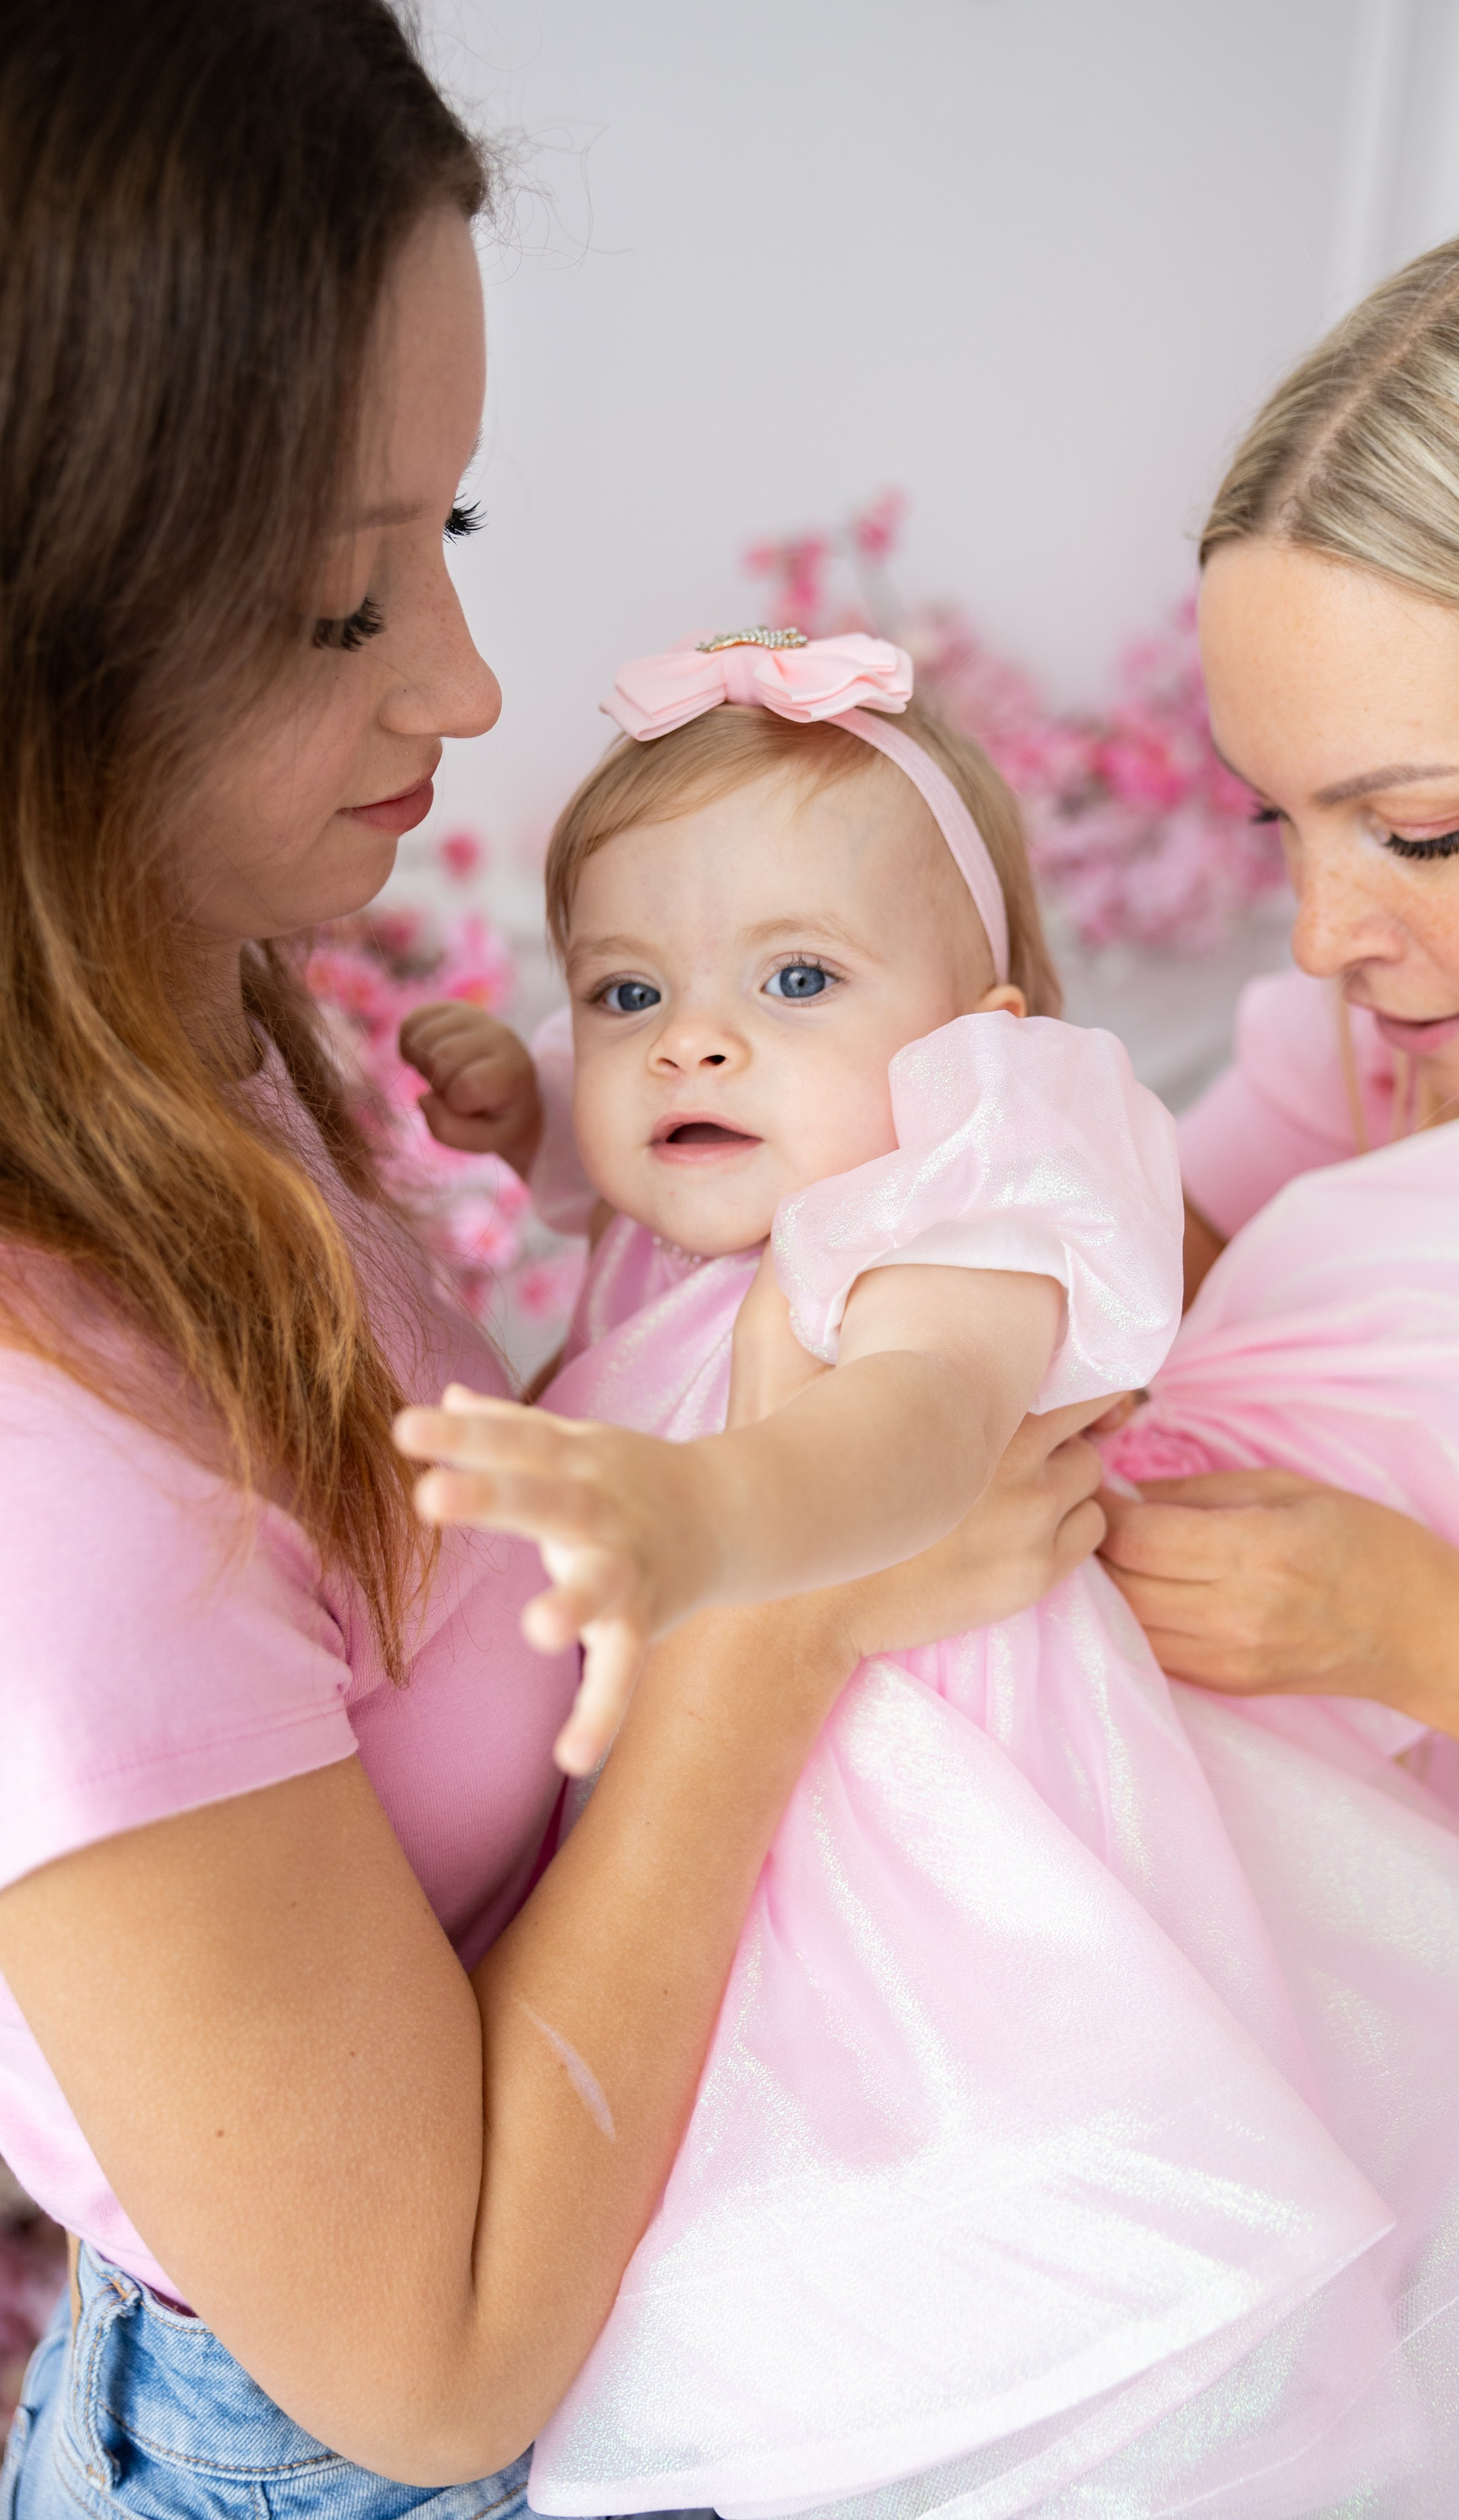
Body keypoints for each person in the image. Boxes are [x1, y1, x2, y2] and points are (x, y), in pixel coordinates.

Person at [0, 8, 1113, 2513]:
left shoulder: (205, 1029)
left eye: (451, 542)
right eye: (328, 607)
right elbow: (432, 2370)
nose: (471, 692)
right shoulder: (54, 1454)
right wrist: (783, 1607)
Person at [399, 630, 1459, 2520]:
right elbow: (690, 1180)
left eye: (798, 978)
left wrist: (715, 1522)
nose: (695, 1040)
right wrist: (544, 1139)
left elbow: (912, 1425)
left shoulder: (965, 1229)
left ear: (987, 1045)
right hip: (737, 1911)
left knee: (1025, 2363)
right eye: (630, 992)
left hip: (958, 1929)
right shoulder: (757, 1206)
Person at [1100, 184, 1459, 2519]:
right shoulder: (1386, 1056)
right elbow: (1150, 1281)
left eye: (1421, 829)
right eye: (1283, 824)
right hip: (1428, 2113)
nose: (1335, 929)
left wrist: (1422, 1628)